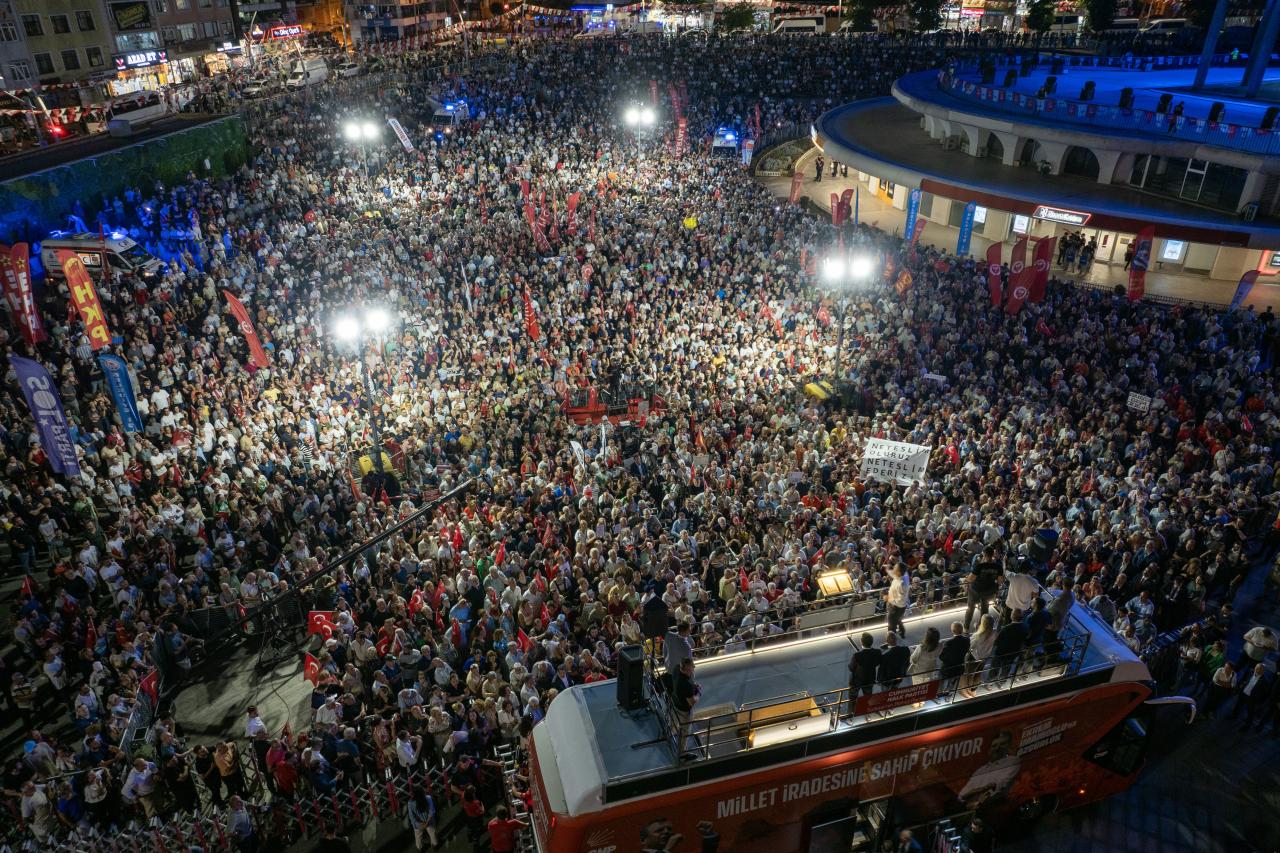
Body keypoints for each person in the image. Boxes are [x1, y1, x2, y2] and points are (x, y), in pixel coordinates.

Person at [1228, 663, 1273, 731]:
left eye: (1259, 669)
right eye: (1256, 668)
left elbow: (1265, 694)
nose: (1257, 670)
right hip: (1243, 694)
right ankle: (1234, 716)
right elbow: (1244, 680)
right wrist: (1239, 689)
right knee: (1238, 706)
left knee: (1250, 713)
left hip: (1252, 699)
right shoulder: (1250, 672)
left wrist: (1259, 701)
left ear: (1263, 671)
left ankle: (1247, 726)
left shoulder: (1265, 682)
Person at [672, 657, 702, 757]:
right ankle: (682, 753)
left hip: (674, 704)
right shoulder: (686, 685)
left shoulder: (676, 669)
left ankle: (669, 733)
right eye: (692, 667)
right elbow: (691, 702)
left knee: (673, 722)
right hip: (684, 711)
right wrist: (698, 693)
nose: (693, 669)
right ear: (687, 669)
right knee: (685, 731)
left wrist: (694, 686)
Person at [847, 632, 883, 714]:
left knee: (852, 698)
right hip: (869, 679)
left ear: (861, 642)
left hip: (856, 682)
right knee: (867, 697)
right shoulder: (877, 652)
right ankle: (867, 713)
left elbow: (851, 668)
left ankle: (851, 714)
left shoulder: (857, 655)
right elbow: (878, 662)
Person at [965, 549, 1000, 631]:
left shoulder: (980, 566)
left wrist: (967, 578)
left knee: (970, 608)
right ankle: (982, 627)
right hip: (988, 591)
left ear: (984, 555)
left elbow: (970, 579)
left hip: (975, 590)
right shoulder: (998, 566)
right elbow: (1001, 580)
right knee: (985, 609)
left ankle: (966, 628)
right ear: (993, 555)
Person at [991, 610, 1027, 686]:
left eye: (1012, 613)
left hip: (1001, 652)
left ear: (1012, 616)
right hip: (1013, 653)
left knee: (995, 667)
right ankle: (1002, 682)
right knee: (1006, 669)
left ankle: (990, 682)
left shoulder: (1006, 628)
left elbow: (997, 641)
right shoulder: (1024, 627)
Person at [938, 622, 970, 695]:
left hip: (947, 668)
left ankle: (939, 694)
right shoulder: (967, 640)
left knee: (941, 680)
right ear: (962, 630)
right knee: (952, 681)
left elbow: (941, 657)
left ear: (952, 631)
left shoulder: (948, 642)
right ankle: (948, 694)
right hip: (959, 667)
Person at [886, 566, 910, 638]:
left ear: (898, 572)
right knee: (898, 619)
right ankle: (902, 631)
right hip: (898, 605)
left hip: (896, 606)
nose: (893, 569)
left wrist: (888, 598)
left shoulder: (901, 584)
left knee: (891, 623)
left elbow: (900, 600)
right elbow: (894, 574)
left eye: (895, 568)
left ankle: (891, 639)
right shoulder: (904, 574)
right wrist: (888, 570)